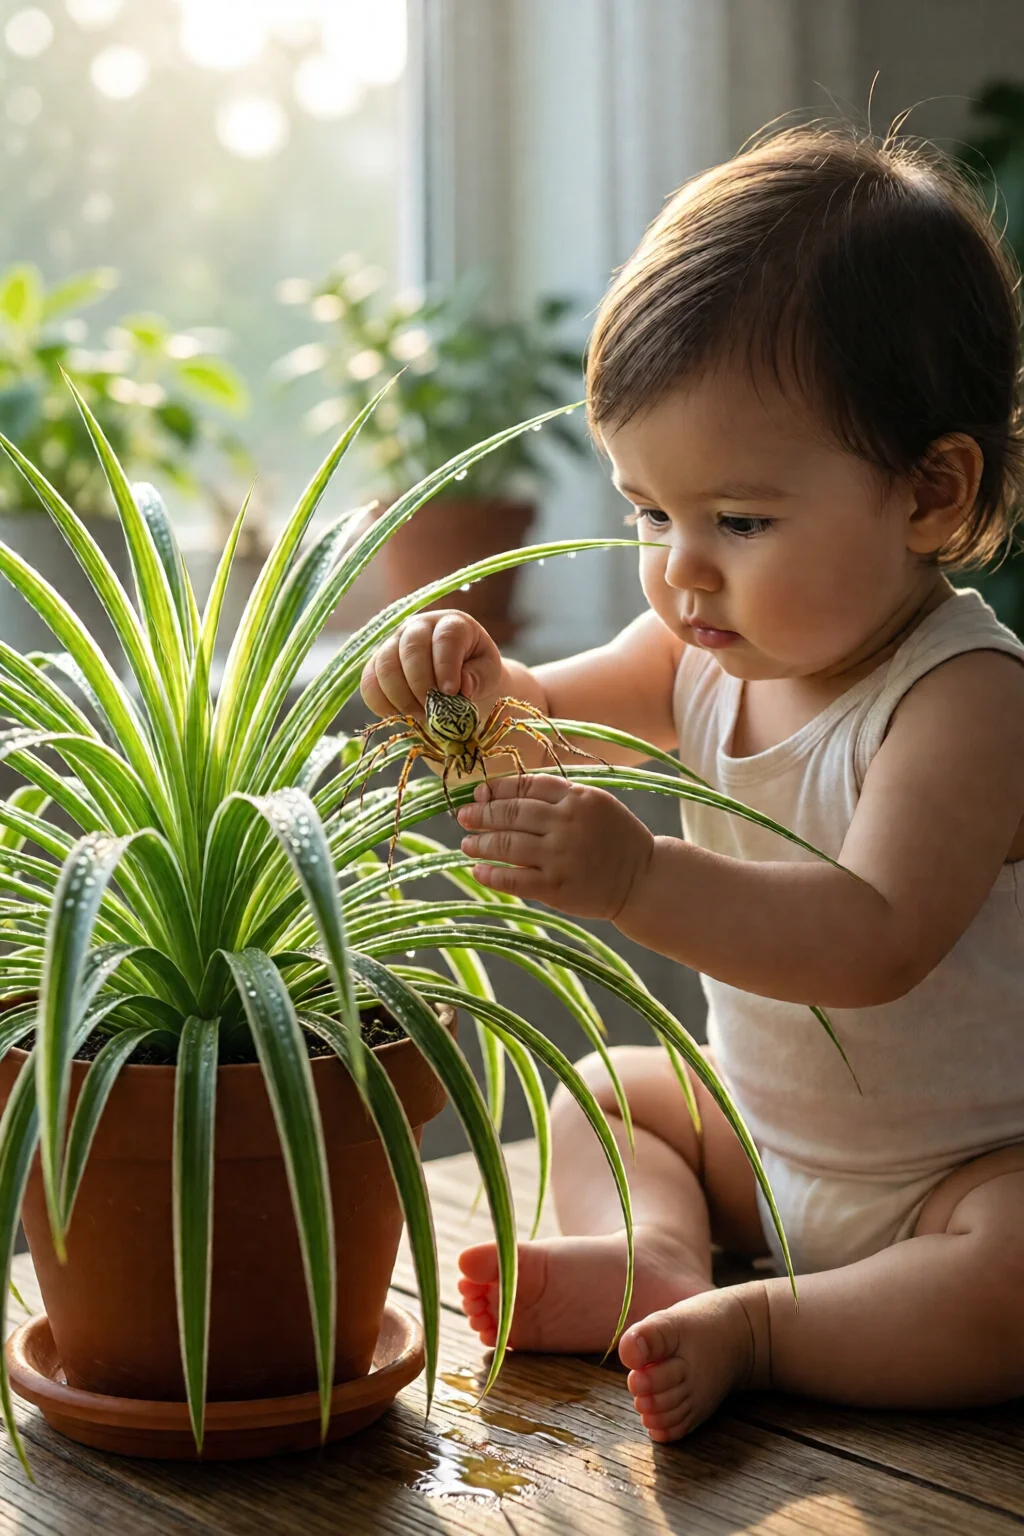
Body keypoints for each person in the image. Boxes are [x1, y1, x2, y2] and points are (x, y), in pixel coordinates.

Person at [360, 123, 1024, 1444]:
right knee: (607, 1095)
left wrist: (639, 877)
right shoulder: (694, 651)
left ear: (931, 498)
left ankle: (771, 1326)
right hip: (760, 1142)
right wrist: (459, 694)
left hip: (957, 1176)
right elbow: (532, 735)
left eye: (740, 520)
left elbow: (874, 936)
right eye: (651, 512)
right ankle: (653, 1256)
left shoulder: (968, 698)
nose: (681, 572)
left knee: (1017, 1272)